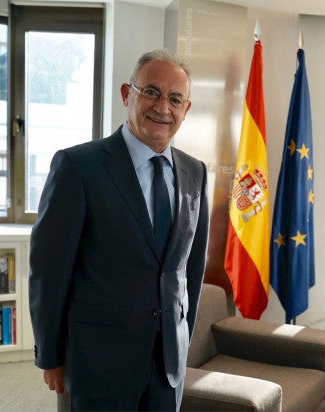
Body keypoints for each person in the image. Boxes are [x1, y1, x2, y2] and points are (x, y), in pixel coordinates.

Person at [29, 49, 209, 411]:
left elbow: (191, 270)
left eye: (175, 99)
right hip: (98, 361)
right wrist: (50, 353)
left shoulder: (196, 172)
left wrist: (182, 340)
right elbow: (49, 271)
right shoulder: (78, 167)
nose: (163, 107)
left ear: (185, 109)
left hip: (167, 366)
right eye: (152, 92)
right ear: (128, 94)